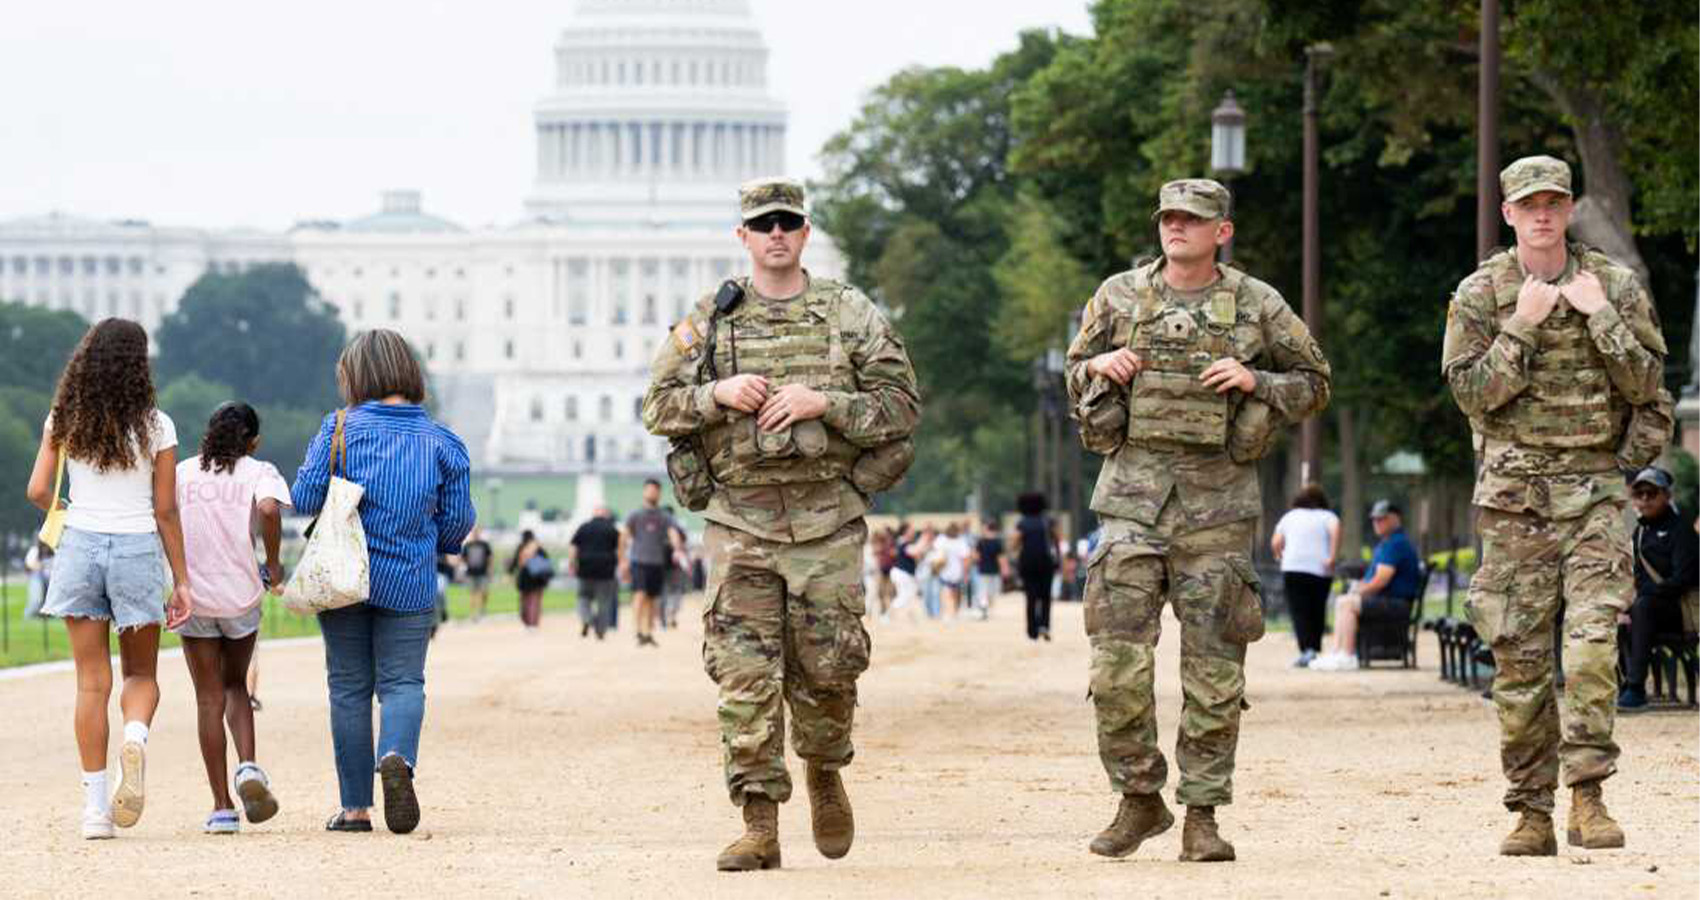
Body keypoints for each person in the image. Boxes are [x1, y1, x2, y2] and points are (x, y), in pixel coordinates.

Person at [643, 176, 920, 871]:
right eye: (763, 224)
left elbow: (901, 406)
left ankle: (824, 771)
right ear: (742, 236)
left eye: (787, 223)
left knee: (828, 670)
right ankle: (759, 823)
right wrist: (717, 393)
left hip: (826, 522)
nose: (776, 234)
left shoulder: (848, 312)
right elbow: (657, 407)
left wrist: (823, 403)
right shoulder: (711, 320)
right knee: (744, 678)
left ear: (804, 233)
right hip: (741, 523)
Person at [1066, 179, 1331, 862]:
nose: (1177, 227)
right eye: (1169, 217)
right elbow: (1073, 374)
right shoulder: (1117, 296)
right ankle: (1138, 798)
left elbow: (1315, 383)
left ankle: (1203, 816)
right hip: (1130, 504)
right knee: (1116, 669)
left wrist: (1256, 381)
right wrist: (1096, 366)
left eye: (1192, 218)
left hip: (1218, 511)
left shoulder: (1257, 303)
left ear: (1223, 231)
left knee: (1214, 676)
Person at [1443, 156, 1671, 855]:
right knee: (1519, 662)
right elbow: (1471, 394)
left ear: (1569, 209)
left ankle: (1588, 796)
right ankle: (1531, 810)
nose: (1542, 215)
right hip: (1515, 505)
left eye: (1553, 203)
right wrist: (1522, 324)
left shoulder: (1615, 285)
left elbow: (1648, 387)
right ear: (1507, 213)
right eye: (1528, 205)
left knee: (1594, 648)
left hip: (1595, 497)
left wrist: (1600, 316)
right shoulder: (1481, 294)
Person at [292, 328, 475, 835]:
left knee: (349, 689)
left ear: (355, 376)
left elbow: (304, 497)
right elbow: (459, 520)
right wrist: (431, 540)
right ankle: (396, 755)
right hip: (410, 578)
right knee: (403, 683)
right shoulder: (441, 440)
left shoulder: (339, 428)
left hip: (343, 575)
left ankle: (355, 809)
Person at [25, 318, 193, 839]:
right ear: (139, 364)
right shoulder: (158, 426)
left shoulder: (64, 418)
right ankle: (135, 740)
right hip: (137, 547)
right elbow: (165, 510)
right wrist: (182, 580)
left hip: (79, 544)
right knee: (140, 675)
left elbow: (37, 490)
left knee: (91, 683)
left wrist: (72, 510)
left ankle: (95, 811)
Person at [174, 401, 288, 833]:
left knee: (208, 697)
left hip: (194, 596)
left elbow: (162, 515)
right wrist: (272, 563)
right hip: (240, 595)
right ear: (253, 442)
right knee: (235, 685)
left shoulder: (183, 472)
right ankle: (249, 766)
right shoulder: (260, 471)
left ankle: (222, 807)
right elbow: (269, 510)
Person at [1618, 467, 1698, 710]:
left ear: (1666, 495)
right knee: (1616, 613)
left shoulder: (1681, 530)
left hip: (1680, 610)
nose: (1645, 499)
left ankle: (1636, 689)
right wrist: (1624, 605)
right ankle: (1622, 684)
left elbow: (1682, 579)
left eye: (1651, 493)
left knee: (1643, 606)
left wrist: (1642, 598)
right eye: (1639, 494)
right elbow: (1634, 575)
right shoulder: (1640, 532)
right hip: (1647, 607)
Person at [1311, 500, 1421, 671]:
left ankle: (1347, 656)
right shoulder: (1387, 543)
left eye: (1381, 519)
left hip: (1397, 603)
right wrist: (1357, 589)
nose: (1376, 522)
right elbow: (1373, 579)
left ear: (1395, 519)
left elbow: (1380, 581)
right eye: (1374, 519)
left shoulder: (1396, 543)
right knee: (1344, 600)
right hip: (1389, 601)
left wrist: (1358, 591)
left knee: (1347, 603)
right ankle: (1337, 653)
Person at [1271, 483, 1340, 667]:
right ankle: (1314, 649)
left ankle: (1306, 650)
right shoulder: (1328, 516)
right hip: (1320, 569)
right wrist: (1332, 557)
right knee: (1317, 609)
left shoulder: (1290, 516)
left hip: (1293, 567)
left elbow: (1276, 542)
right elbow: (1335, 532)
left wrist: (1280, 556)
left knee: (1299, 610)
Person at [621, 479, 680, 647]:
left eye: (655, 490)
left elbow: (673, 533)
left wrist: (677, 548)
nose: (652, 493)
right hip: (639, 560)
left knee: (651, 599)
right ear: (644, 492)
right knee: (639, 594)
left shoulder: (664, 516)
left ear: (659, 493)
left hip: (657, 562)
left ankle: (647, 632)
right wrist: (623, 560)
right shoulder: (635, 515)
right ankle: (637, 630)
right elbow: (624, 537)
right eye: (650, 490)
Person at [1010, 493, 1058, 642]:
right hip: (1046, 562)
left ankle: (1032, 631)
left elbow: (1015, 543)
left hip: (1027, 563)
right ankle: (1044, 625)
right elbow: (1057, 540)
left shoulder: (1022, 522)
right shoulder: (1048, 521)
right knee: (1045, 596)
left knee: (1031, 597)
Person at [570, 506, 622, 639]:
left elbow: (574, 547)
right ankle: (601, 630)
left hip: (585, 568)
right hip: (606, 570)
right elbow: (620, 549)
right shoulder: (612, 529)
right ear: (606, 515)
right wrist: (621, 564)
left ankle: (587, 618)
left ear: (593, 514)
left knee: (583, 597)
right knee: (604, 601)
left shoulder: (584, 527)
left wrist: (572, 563)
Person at [509, 530, 552, 631]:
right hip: (538, 578)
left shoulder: (521, 547)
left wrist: (510, 571)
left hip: (525, 579)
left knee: (525, 602)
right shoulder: (539, 548)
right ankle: (533, 623)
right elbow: (546, 562)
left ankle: (528, 622)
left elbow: (515, 562)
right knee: (535, 602)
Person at [971, 519, 1008, 622]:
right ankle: (987, 609)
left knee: (983, 591)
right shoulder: (998, 543)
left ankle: (984, 610)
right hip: (994, 571)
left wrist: (975, 559)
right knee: (991, 592)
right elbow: (1001, 558)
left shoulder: (981, 542)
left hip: (983, 570)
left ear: (987, 528)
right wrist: (1005, 570)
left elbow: (976, 557)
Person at [934, 522, 971, 620]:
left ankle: (951, 612)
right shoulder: (957, 541)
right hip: (950, 571)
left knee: (950, 592)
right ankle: (951, 612)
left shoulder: (956, 541)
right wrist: (966, 573)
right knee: (950, 592)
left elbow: (966, 559)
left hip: (951, 571)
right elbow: (966, 559)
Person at [889, 522, 922, 621]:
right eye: (911, 530)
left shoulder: (903, 541)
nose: (913, 531)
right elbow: (913, 552)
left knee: (909, 595)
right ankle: (888, 614)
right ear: (905, 531)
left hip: (902, 573)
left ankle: (910, 616)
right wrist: (924, 540)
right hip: (902, 573)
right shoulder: (903, 542)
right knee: (905, 595)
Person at [460, 526, 493, 623]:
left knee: (484, 592)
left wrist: (490, 569)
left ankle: (482, 609)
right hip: (471, 573)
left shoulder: (485, 545)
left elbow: (490, 557)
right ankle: (473, 613)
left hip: (483, 572)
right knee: (473, 593)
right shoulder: (468, 545)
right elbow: (463, 558)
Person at [24, 540, 54, 619]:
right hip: (37, 577)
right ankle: (29, 615)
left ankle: (45, 615)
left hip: (50, 579)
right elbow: (30, 565)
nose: (45, 548)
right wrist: (41, 566)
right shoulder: (34, 551)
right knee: (37, 600)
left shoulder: (53, 552)